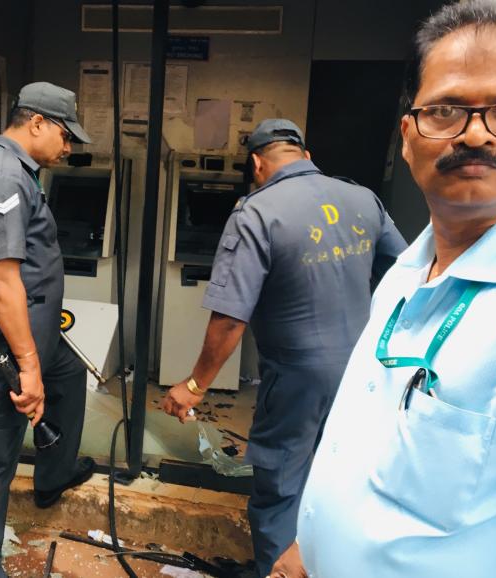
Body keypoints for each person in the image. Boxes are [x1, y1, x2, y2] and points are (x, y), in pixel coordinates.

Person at [271, 1, 496, 577]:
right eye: (445, 110)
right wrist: (308, 546)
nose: (474, 133)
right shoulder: (405, 271)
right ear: (408, 136)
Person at [162, 118, 407, 577]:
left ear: (256, 164)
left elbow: (230, 318)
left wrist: (194, 385)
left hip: (297, 377)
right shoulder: (362, 198)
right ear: (307, 156)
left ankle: (276, 570)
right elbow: (406, 273)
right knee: (340, 473)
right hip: (362, 370)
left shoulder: (256, 213)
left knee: (280, 484)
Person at [0, 82, 96, 578]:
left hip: (24, 330)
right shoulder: (2, 177)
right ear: (36, 123)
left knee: (69, 374)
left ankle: (54, 474)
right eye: (65, 135)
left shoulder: (4, 168)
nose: (68, 147)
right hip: (2, 338)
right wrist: (28, 364)